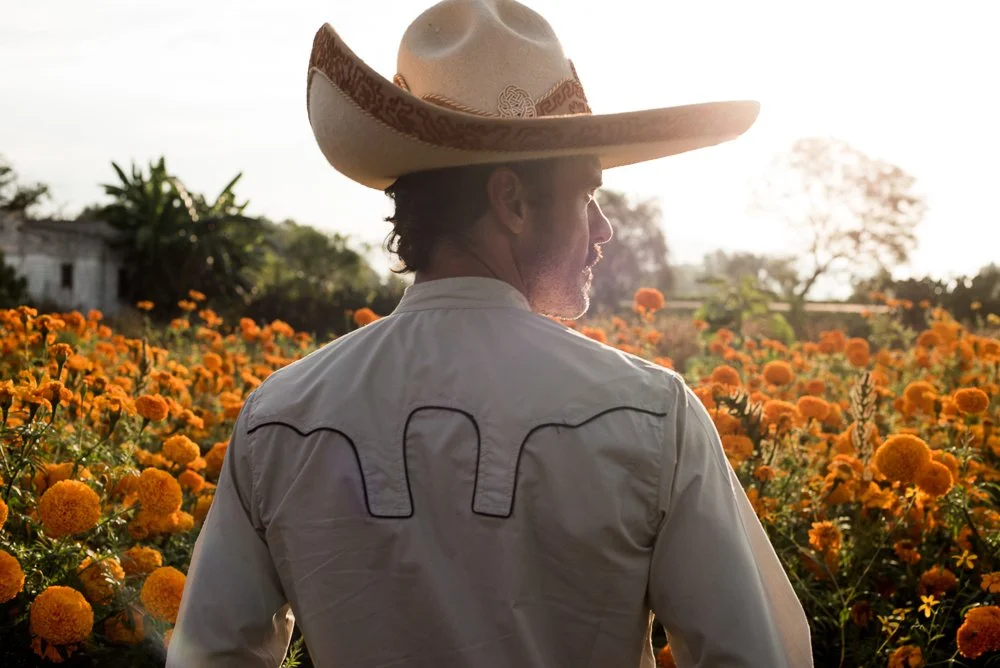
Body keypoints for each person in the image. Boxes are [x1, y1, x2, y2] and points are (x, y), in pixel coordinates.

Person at [168, 1, 814, 666]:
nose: (604, 230)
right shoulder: (649, 413)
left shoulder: (279, 417)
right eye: (587, 193)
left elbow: (211, 654)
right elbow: (757, 656)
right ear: (512, 201)